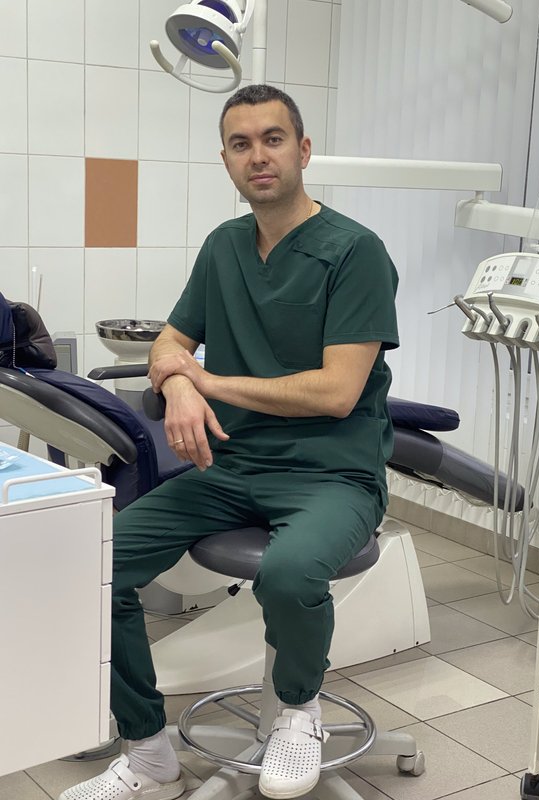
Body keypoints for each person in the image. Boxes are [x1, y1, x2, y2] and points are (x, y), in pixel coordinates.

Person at [59, 84, 399, 800]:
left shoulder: (355, 252)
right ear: (226, 160)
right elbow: (171, 343)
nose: (258, 156)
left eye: (273, 139)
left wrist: (206, 382)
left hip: (333, 474)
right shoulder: (223, 247)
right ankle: (148, 754)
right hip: (233, 466)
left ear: (303, 150)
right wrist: (180, 385)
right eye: (241, 144)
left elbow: (338, 392)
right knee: (92, 566)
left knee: (290, 573)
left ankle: (299, 713)